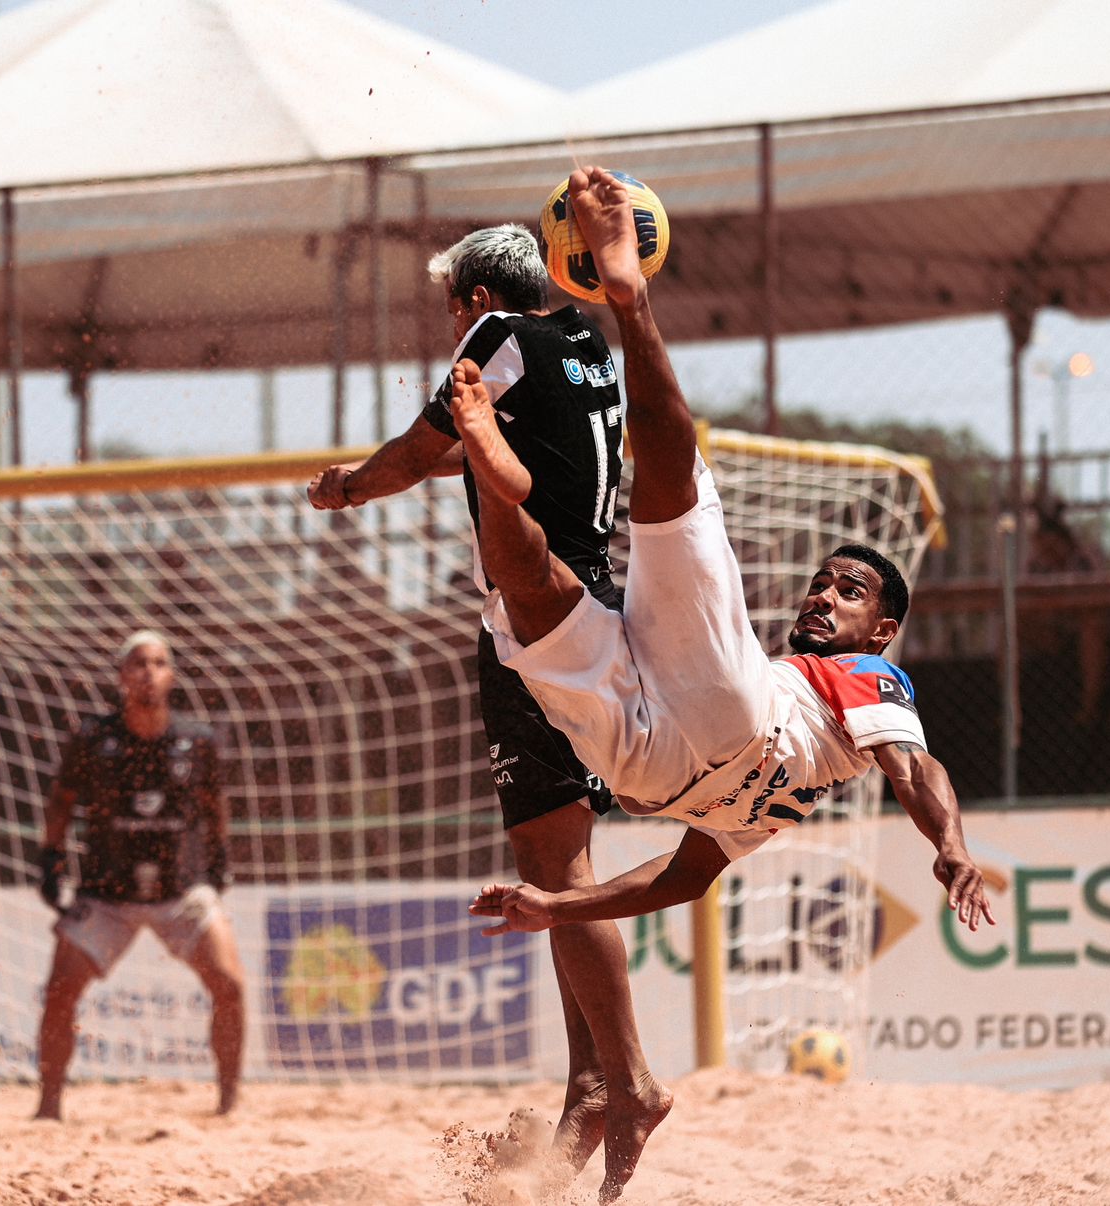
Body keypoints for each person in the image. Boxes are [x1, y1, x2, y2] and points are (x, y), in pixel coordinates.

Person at [463, 167, 993, 999]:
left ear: (883, 633)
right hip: (662, 774)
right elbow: (682, 881)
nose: (823, 595)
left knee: (638, 524)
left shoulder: (870, 679)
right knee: (533, 599)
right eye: (823, 583)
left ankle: (615, 317)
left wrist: (951, 842)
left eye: (850, 592)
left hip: (715, 722)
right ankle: (504, 471)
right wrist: (561, 909)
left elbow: (913, 767)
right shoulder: (786, 803)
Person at [306, 225, 661, 1195]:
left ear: (473, 296)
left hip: (535, 624)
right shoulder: (588, 342)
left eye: (448, 304)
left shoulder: (495, 335)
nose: (449, 322)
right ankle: (591, 1083)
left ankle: (624, 1078)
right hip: (597, 616)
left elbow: (421, 449)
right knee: (561, 859)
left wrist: (346, 488)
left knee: (556, 868)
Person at [33, 630, 245, 1121]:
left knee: (229, 984)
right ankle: (48, 1108)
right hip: (107, 891)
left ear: (171, 676)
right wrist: (51, 858)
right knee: (60, 988)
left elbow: (216, 805)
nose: (148, 672)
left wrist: (221, 858)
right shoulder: (92, 739)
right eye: (137, 663)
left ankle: (228, 1103)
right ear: (121, 677)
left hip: (181, 888)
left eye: (158, 663)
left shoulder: (198, 741)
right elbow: (62, 801)